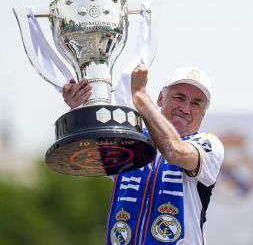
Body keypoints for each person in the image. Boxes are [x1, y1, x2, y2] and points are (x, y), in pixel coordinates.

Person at [63, 64, 224, 245]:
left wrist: (140, 96)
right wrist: (78, 107)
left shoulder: (209, 144)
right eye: (180, 98)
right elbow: (84, 153)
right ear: (161, 99)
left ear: (203, 114)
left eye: (196, 103)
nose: (186, 108)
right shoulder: (133, 139)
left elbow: (174, 151)